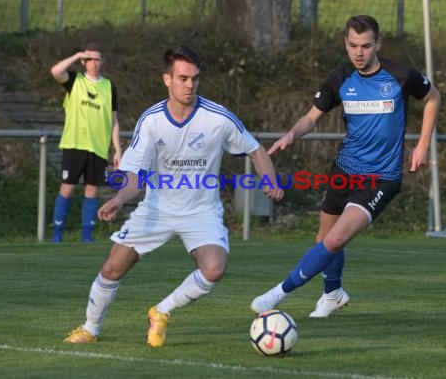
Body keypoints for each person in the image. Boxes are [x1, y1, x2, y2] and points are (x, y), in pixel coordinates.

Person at [63, 45, 284, 347]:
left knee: (214, 269)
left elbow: (256, 149)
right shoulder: (151, 120)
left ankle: (161, 311)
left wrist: (269, 180)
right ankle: (90, 327)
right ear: (167, 79)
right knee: (112, 268)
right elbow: (134, 175)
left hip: (202, 211)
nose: (189, 85)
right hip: (157, 209)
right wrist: (118, 199)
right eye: (182, 78)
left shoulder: (218, 118)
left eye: (194, 78)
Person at [251, 15, 440, 318]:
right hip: (344, 171)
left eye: (366, 46)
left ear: (378, 44)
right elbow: (311, 119)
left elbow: (433, 97)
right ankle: (332, 294)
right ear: (346, 43)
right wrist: (291, 134)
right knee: (323, 240)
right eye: (353, 45)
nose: (359, 53)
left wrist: (422, 144)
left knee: (335, 239)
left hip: (381, 177)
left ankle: (276, 294)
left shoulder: (401, 76)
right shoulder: (340, 78)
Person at [50, 43, 122, 243]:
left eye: (97, 59)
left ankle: (87, 237)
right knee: (67, 188)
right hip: (75, 144)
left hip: (98, 147)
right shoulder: (75, 80)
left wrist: (117, 150)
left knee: (92, 190)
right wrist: (76, 54)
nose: (94, 63)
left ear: (102, 62)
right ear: (83, 61)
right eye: (89, 59)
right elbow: (55, 71)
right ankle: (56, 235)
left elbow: (114, 120)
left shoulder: (108, 87)